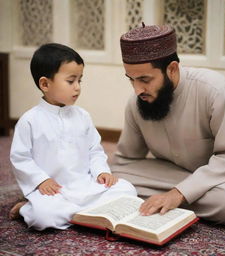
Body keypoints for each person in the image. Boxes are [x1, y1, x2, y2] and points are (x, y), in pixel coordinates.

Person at [111, 23, 225, 225]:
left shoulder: (214, 90)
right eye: (131, 80)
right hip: (168, 175)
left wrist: (179, 193)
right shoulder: (137, 102)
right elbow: (126, 161)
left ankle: (167, 200)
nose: (137, 90)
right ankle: (170, 201)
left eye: (144, 79)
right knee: (112, 177)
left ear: (171, 69)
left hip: (216, 180)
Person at [9, 43, 136, 231]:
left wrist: (102, 172)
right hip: (54, 193)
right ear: (45, 84)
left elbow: (95, 150)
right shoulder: (30, 121)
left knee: (127, 189)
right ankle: (27, 210)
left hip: (86, 187)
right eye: (71, 81)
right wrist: (41, 180)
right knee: (42, 217)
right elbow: (20, 159)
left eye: (80, 80)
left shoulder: (82, 116)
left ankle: (78, 214)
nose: (77, 87)